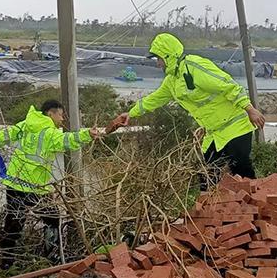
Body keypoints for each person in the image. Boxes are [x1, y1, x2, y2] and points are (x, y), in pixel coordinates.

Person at [107, 33, 265, 186]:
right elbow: (153, 100)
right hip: (215, 134)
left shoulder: (194, 66)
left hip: (235, 128)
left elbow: (227, 85)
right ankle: (211, 210)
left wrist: (250, 109)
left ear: (168, 56)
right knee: (207, 177)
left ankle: (259, 206)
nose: (158, 63)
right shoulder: (172, 81)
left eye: (159, 59)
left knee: (242, 173)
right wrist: (130, 113)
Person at [0, 100, 100, 268]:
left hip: (14, 184)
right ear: (50, 113)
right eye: (60, 114)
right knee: (53, 220)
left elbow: (4, 136)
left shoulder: (25, 124)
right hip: (35, 188)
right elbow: (68, 140)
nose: (62, 119)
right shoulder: (49, 133)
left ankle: (6, 262)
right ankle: (52, 257)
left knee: (14, 222)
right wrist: (87, 134)